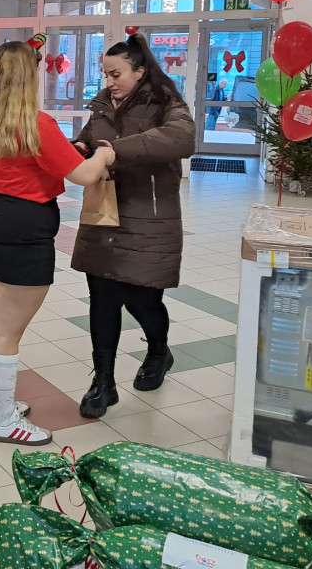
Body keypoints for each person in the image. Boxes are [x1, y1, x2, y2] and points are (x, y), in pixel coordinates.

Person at [0, 41, 115, 445]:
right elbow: (83, 175)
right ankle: (4, 421)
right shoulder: (37, 124)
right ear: (28, 76)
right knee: (7, 332)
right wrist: (104, 157)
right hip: (24, 228)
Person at [73, 33, 197, 419]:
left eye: (117, 74)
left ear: (140, 71)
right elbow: (90, 139)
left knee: (143, 299)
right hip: (104, 214)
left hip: (148, 218)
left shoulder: (165, 102)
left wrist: (115, 151)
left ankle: (159, 352)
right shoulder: (102, 105)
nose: (110, 81)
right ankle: (103, 382)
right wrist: (80, 147)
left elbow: (182, 138)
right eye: (106, 74)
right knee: (102, 297)